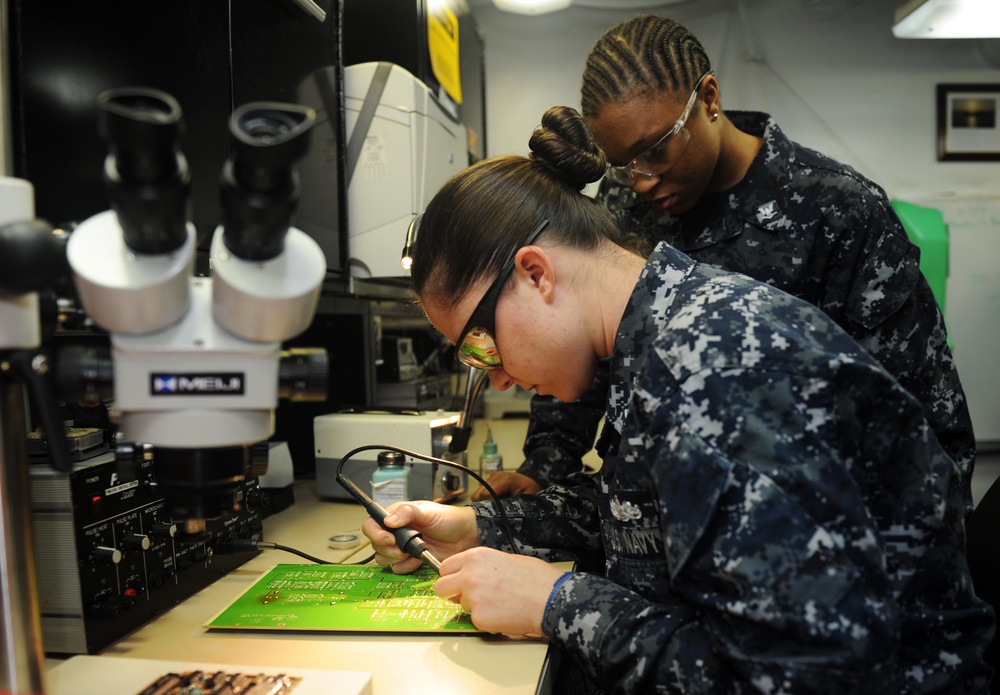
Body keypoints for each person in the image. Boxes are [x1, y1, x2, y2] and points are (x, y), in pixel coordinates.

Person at [362, 105, 994, 693]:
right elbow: (654, 513)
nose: (495, 377)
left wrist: (560, 603)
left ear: (535, 273)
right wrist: (482, 528)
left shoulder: (716, 366)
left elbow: (802, 676)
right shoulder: (665, 330)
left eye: (480, 344)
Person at [476, 14, 977, 517]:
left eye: (656, 150)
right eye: (622, 164)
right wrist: (542, 466)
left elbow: (924, 414)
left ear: (709, 99)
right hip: (669, 520)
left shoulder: (836, 211)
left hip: (811, 532)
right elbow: (585, 344)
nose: (642, 180)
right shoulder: (621, 208)